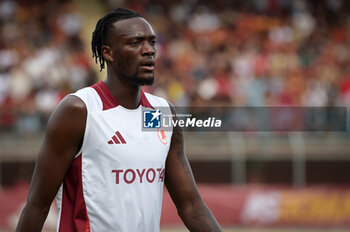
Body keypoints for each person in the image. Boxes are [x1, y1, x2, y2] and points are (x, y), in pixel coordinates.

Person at [16, 8, 222, 232]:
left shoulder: (161, 113)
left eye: (152, 42)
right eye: (135, 43)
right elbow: (37, 206)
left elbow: (190, 205)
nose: (148, 51)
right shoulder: (80, 109)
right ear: (108, 53)